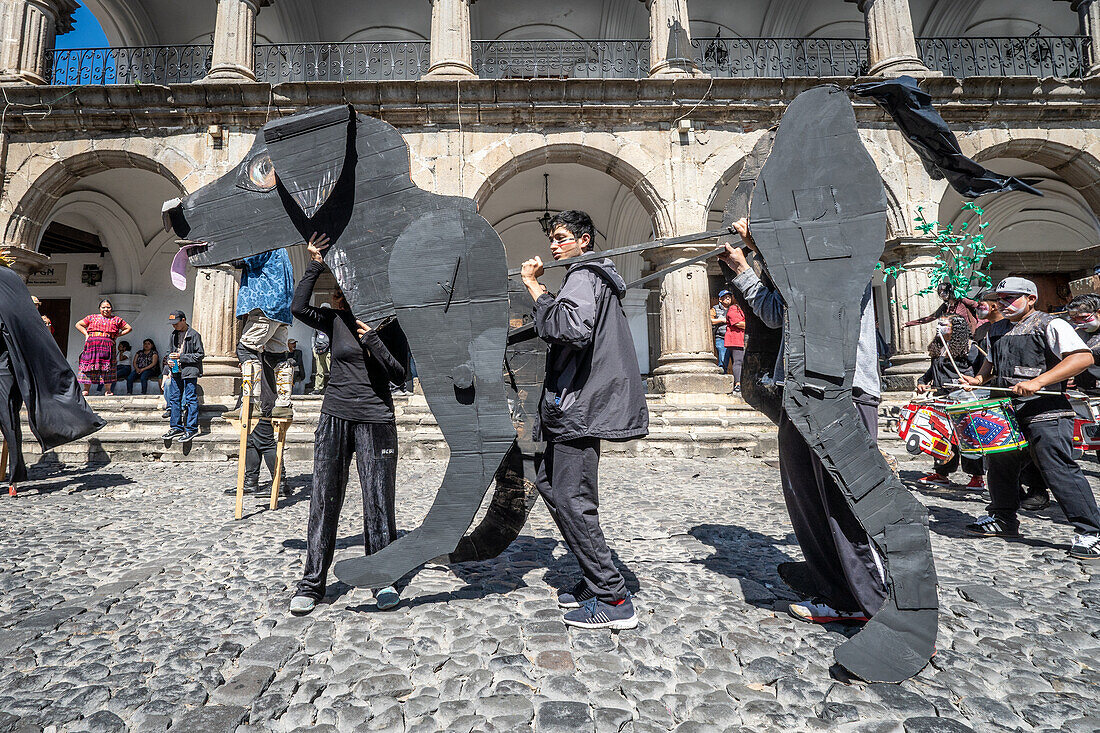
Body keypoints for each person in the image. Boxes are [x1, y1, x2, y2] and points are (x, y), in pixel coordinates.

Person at [719, 218, 888, 624]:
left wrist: (762, 247)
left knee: (846, 503)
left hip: (841, 390)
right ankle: (837, 592)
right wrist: (745, 268)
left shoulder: (842, 254)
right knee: (805, 494)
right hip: (798, 389)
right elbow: (777, 314)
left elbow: (814, 295)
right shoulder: (794, 264)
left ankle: (883, 608)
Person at [519, 210, 649, 630]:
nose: (554, 245)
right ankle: (594, 578)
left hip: (578, 406)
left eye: (561, 238)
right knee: (548, 482)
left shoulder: (582, 273)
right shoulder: (589, 276)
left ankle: (613, 598)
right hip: (572, 404)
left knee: (573, 497)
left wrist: (536, 289)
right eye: (553, 239)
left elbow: (572, 328)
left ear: (584, 241)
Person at [289, 233, 407, 616]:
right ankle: (312, 583)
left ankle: (382, 577)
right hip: (335, 416)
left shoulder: (391, 326)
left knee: (378, 502)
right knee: (324, 499)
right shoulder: (334, 319)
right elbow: (297, 307)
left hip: (376, 421)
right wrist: (315, 264)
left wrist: (373, 338)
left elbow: (399, 375)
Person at [959, 277, 1100, 560]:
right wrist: (977, 379)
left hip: (1046, 409)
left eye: (1012, 298)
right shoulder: (996, 329)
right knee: (999, 465)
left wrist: (1039, 381)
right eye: (1001, 299)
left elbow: (1082, 358)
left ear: (1031, 299)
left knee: (1058, 468)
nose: (1004, 304)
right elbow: (992, 364)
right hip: (1006, 410)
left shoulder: (1051, 324)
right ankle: (1003, 519)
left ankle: (1090, 532)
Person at [914, 315, 985, 489]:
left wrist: (973, 383)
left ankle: (976, 477)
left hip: (963, 399)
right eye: (939, 324)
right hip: (942, 399)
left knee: (968, 437)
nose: (940, 327)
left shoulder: (970, 348)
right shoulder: (939, 348)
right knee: (942, 436)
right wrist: (922, 382)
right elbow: (932, 372)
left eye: (944, 324)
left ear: (956, 328)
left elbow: (982, 372)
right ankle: (941, 473)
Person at [227, 249, 295, 419]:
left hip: (265, 305)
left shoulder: (266, 244)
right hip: (281, 311)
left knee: (246, 349)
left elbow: (240, 261)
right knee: (277, 356)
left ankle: (251, 402)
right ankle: (283, 404)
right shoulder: (282, 251)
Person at [161, 311, 205, 445]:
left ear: (184, 320)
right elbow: (169, 352)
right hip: (175, 370)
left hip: (190, 370)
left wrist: (182, 357)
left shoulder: (194, 334)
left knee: (191, 398)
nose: (174, 326)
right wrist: (168, 361)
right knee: (174, 398)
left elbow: (200, 355)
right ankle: (176, 426)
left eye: (176, 323)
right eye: (172, 324)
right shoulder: (173, 335)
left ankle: (191, 428)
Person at [75, 299, 132, 396]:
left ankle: (108, 390)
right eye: (103, 307)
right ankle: (86, 389)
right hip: (92, 346)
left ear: (111, 309)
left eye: (108, 307)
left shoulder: (116, 319)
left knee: (107, 367)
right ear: (99, 308)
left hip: (108, 346)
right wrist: (86, 335)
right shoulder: (92, 317)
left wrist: (117, 335)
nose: (106, 309)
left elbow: (128, 328)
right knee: (89, 366)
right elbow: (78, 324)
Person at [904, 281, 982, 334]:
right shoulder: (946, 306)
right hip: (954, 336)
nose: (942, 293)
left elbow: (980, 307)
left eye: (944, 291)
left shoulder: (962, 301)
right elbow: (931, 317)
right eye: (940, 292)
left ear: (950, 290)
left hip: (969, 334)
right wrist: (908, 324)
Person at [724, 295, 746, 391]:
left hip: (744, 338)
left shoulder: (745, 309)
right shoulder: (733, 308)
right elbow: (738, 323)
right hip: (736, 338)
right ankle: (738, 383)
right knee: (738, 361)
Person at [310, 309, 331, 395]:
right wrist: (313, 347)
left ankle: (333, 388)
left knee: (332, 370)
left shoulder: (331, 322)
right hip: (318, 349)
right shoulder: (317, 322)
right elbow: (313, 336)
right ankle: (317, 388)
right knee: (319, 370)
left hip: (329, 349)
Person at [711, 291, 731, 372]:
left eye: (729, 296)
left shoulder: (733, 309)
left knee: (737, 361)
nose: (728, 298)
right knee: (722, 361)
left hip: (733, 338)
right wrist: (721, 320)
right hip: (721, 338)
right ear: (720, 299)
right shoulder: (715, 309)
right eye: (725, 296)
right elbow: (711, 320)